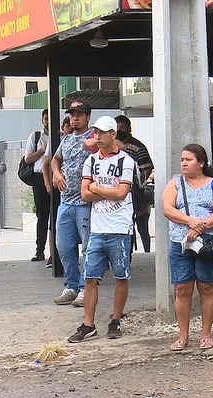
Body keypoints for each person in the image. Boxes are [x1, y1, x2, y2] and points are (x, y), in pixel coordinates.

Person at [68, 116, 136, 343]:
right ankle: (88, 324)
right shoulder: (91, 161)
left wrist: (96, 187)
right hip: (97, 228)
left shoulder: (126, 160)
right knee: (90, 277)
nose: (97, 137)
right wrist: (104, 189)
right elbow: (84, 194)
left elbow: (121, 194)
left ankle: (115, 319)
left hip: (119, 227)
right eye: (95, 132)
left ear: (113, 135)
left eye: (102, 132)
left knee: (121, 276)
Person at [161, 144, 213, 351]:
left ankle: (206, 333)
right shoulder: (175, 184)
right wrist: (191, 222)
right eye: (182, 159)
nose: (183, 163)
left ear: (201, 163)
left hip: (206, 243)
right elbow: (168, 209)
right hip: (180, 243)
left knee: (207, 287)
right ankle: (183, 334)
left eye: (188, 160)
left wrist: (201, 227)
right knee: (182, 288)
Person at [44, 101, 93, 308]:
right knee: (63, 247)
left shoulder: (93, 137)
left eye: (79, 114)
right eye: (73, 114)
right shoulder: (65, 140)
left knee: (89, 249)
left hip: (85, 203)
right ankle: (72, 286)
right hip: (65, 202)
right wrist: (56, 173)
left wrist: (96, 143)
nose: (75, 118)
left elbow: (117, 146)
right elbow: (55, 159)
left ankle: (85, 288)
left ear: (87, 117)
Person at [115, 115, 154, 253]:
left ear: (129, 129)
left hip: (138, 195)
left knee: (143, 228)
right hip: (117, 193)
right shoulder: (110, 147)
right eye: (117, 127)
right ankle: (127, 253)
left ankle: (148, 252)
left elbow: (147, 169)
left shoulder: (138, 146)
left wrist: (140, 186)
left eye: (123, 127)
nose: (119, 130)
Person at [25, 109, 50, 262]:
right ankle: (39, 250)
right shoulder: (35, 137)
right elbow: (27, 159)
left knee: (56, 216)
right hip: (39, 178)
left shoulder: (60, 137)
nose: (48, 121)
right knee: (42, 216)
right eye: (46, 118)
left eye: (50, 118)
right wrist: (42, 150)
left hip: (55, 178)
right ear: (42, 120)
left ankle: (56, 251)